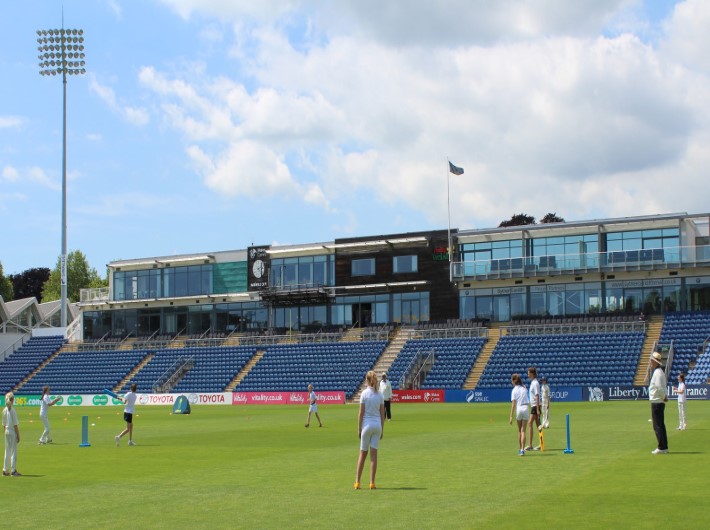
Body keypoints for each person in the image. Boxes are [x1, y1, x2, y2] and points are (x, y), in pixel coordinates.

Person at [355, 370, 385, 490]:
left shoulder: (364, 394)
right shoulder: (380, 395)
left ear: (367, 380)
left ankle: (357, 482)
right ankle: (372, 483)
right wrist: (382, 429)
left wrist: (359, 428)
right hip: (377, 425)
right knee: (374, 456)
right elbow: (383, 414)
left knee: (362, 454)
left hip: (367, 425)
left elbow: (361, 413)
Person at [649, 352, 669, 454]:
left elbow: (659, 388)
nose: (650, 363)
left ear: (655, 362)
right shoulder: (660, 372)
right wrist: (664, 396)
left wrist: (663, 396)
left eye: (652, 361)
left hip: (657, 401)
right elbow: (662, 387)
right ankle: (663, 446)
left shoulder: (657, 373)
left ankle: (662, 447)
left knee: (657, 425)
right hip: (658, 401)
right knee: (660, 424)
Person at [509, 374, 530, 456]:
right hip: (525, 408)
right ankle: (522, 449)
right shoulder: (524, 387)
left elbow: (513, 404)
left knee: (519, 431)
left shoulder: (514, 390)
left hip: (519, 409)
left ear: (514, 381)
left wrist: (511, 416)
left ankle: (520, 448)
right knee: (524, 431)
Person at [3, 391, 21, 476]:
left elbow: (4, 424)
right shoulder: (13, 410)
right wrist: (18, 435)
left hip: (6, 431)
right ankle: (13, 470)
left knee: (7, 451)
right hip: (12, 432)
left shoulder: (4, 410)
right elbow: (15, 425)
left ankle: (5, 470)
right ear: (12, 399)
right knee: (14, 451)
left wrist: (5, 432)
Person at [526, 367, 541, 451]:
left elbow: (537, 396)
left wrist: (538, 409)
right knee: (538, 425)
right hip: (534, 406)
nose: (527, 374)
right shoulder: (533, 382)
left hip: (535, 406)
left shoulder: (535, 383)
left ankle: (530, 445)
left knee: (530, 423)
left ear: (532, 373)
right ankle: (541, 443)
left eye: (528, 373)